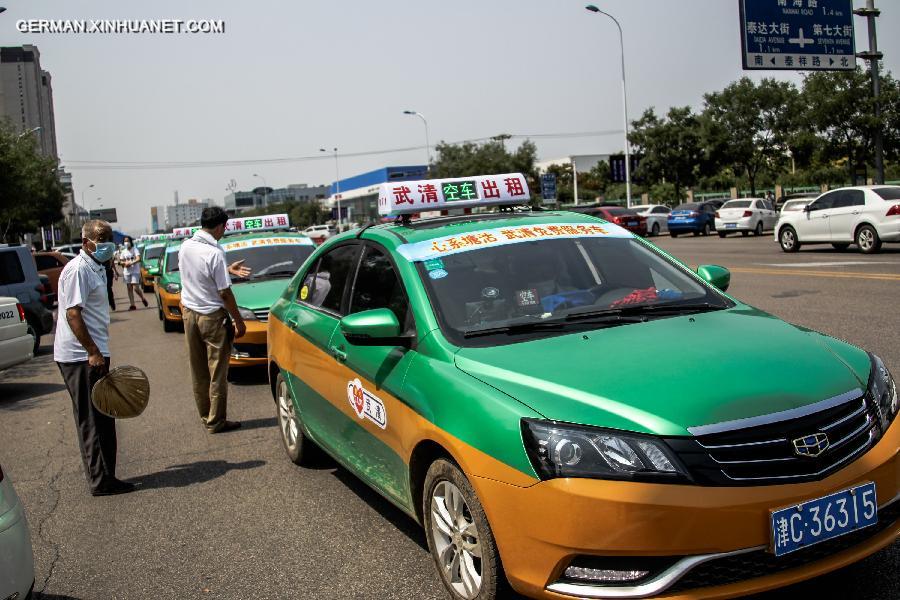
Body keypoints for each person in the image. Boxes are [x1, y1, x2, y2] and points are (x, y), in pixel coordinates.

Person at [54, 220, 136, 496]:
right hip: (80, 356)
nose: (107, 243)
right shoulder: (77, 270)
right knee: (91, 418)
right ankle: (101, 481)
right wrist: (92, 352)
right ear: (86, 241)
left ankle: (107, 475)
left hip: (94, 353)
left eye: (109, 238)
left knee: (104, 414)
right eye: (101, 239)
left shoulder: (97, 266)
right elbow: (72, 314)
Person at [179, 207, 251, 433]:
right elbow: (224, 293)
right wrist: (239, 321)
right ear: (220, 226)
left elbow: (199, 274)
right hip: (212, 318)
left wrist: (227, 269)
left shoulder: (186, 246)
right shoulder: (215, 253)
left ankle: (206, 416)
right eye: (225, 228)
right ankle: (216, 421)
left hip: (189, 315)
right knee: (218, 372)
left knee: (198, 371)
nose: (224, 232)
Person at [118, 236, 148, 311]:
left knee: (135, 288)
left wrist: (131, 263)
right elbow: (120, 261)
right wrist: (124, 263)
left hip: (135, 271)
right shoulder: (123, 251)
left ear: (130, 242)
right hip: (127, 272)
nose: (126, 243)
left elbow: (138, 258)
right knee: (129, 288)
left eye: (127, 241)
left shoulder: (135, 249)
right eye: (125, 241)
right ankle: (132, 305)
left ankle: (142, 298)